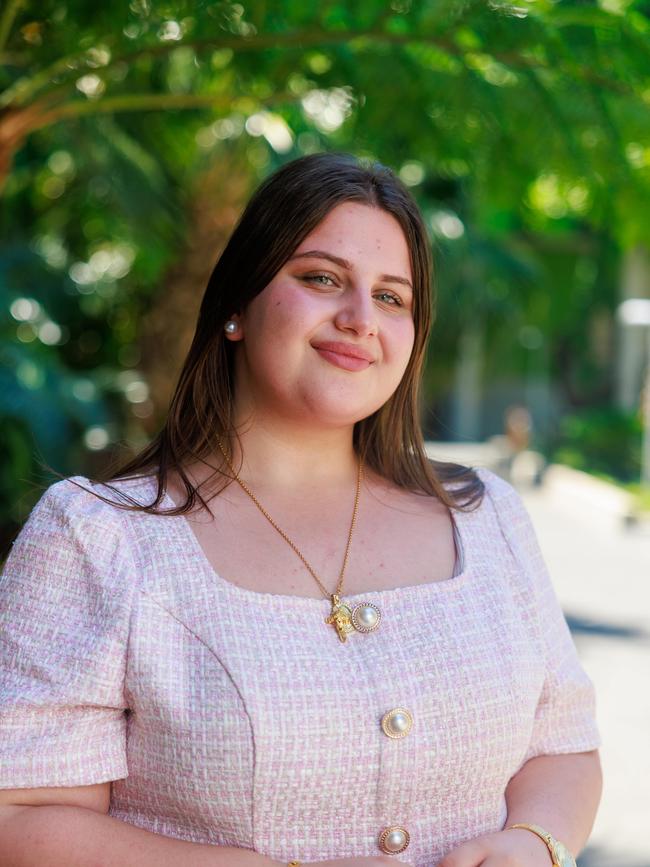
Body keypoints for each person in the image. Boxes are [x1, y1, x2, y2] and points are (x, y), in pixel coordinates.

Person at [0, 152, 602, 867]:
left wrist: (534, 842)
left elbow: (564, 747)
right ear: (237, 306)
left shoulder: (487, 516)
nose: (359, 319)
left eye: (392, 297)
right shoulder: (98, 537)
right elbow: (22, 818)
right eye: (322, 278)